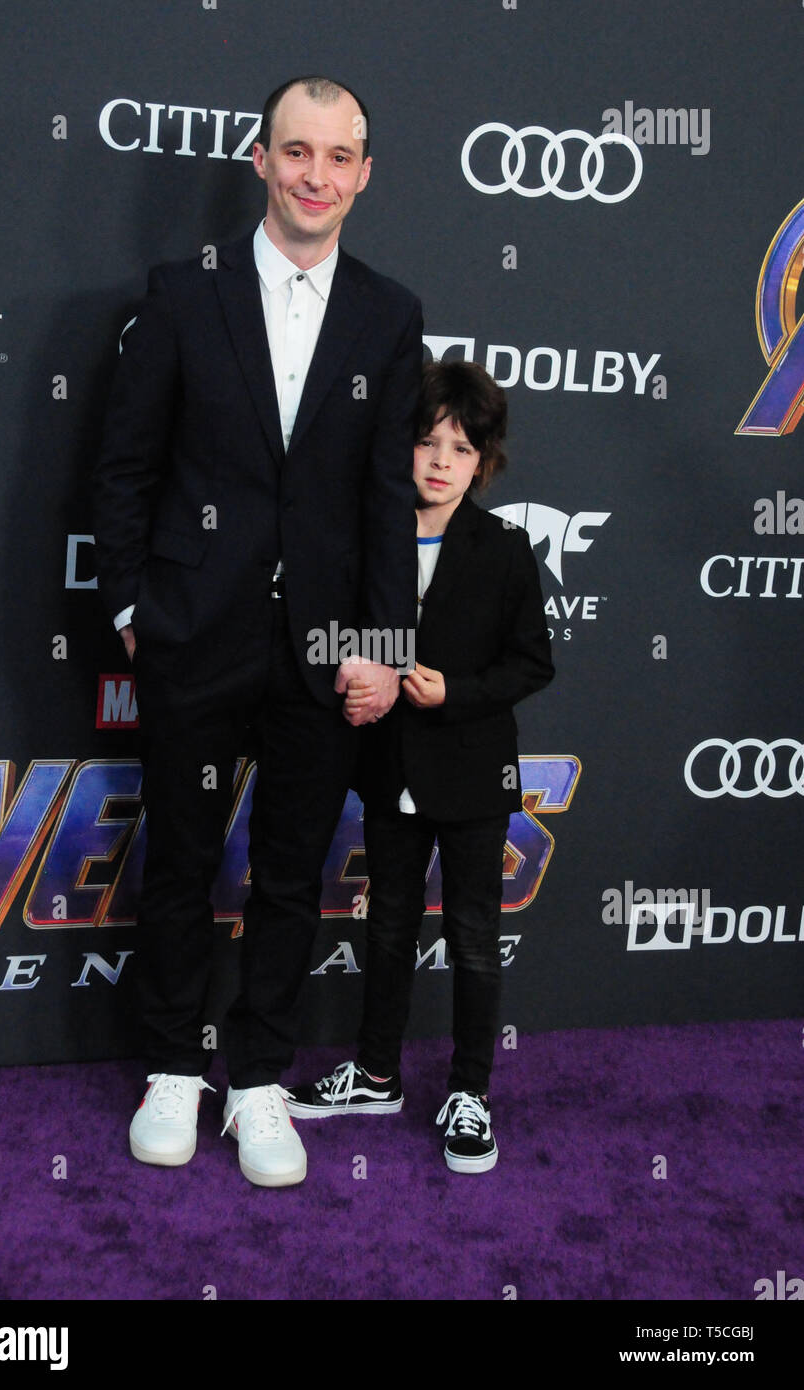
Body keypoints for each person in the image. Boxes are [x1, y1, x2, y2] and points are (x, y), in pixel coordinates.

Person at [92, 75, 422, 1186]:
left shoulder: (389, 313)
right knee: (182, 857)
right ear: (259, 159)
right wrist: (137, 607)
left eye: (337, 157)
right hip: (196, 627)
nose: (315, 177)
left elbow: (387, 498)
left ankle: (259, 1079)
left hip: (326, 647)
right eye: (296, 152)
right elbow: (125, 468)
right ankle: (173, 1069)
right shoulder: (184, 295)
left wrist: (385, 640)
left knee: (291, 868)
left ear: (364, 173)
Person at [286, 359, 554, 1173]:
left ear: (484, 463)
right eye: (427, 441)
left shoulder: (505, 549)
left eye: (461, 448)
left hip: (472, 776)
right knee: (389, 925)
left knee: (473, 937)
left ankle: (469, 1090)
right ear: (401, 447)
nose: (441, 460)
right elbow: (337, 642)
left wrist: (456, 692)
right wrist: (380, 671)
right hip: (388, 768)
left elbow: (531, 664)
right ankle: (375, 1074)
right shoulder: (367, 542)